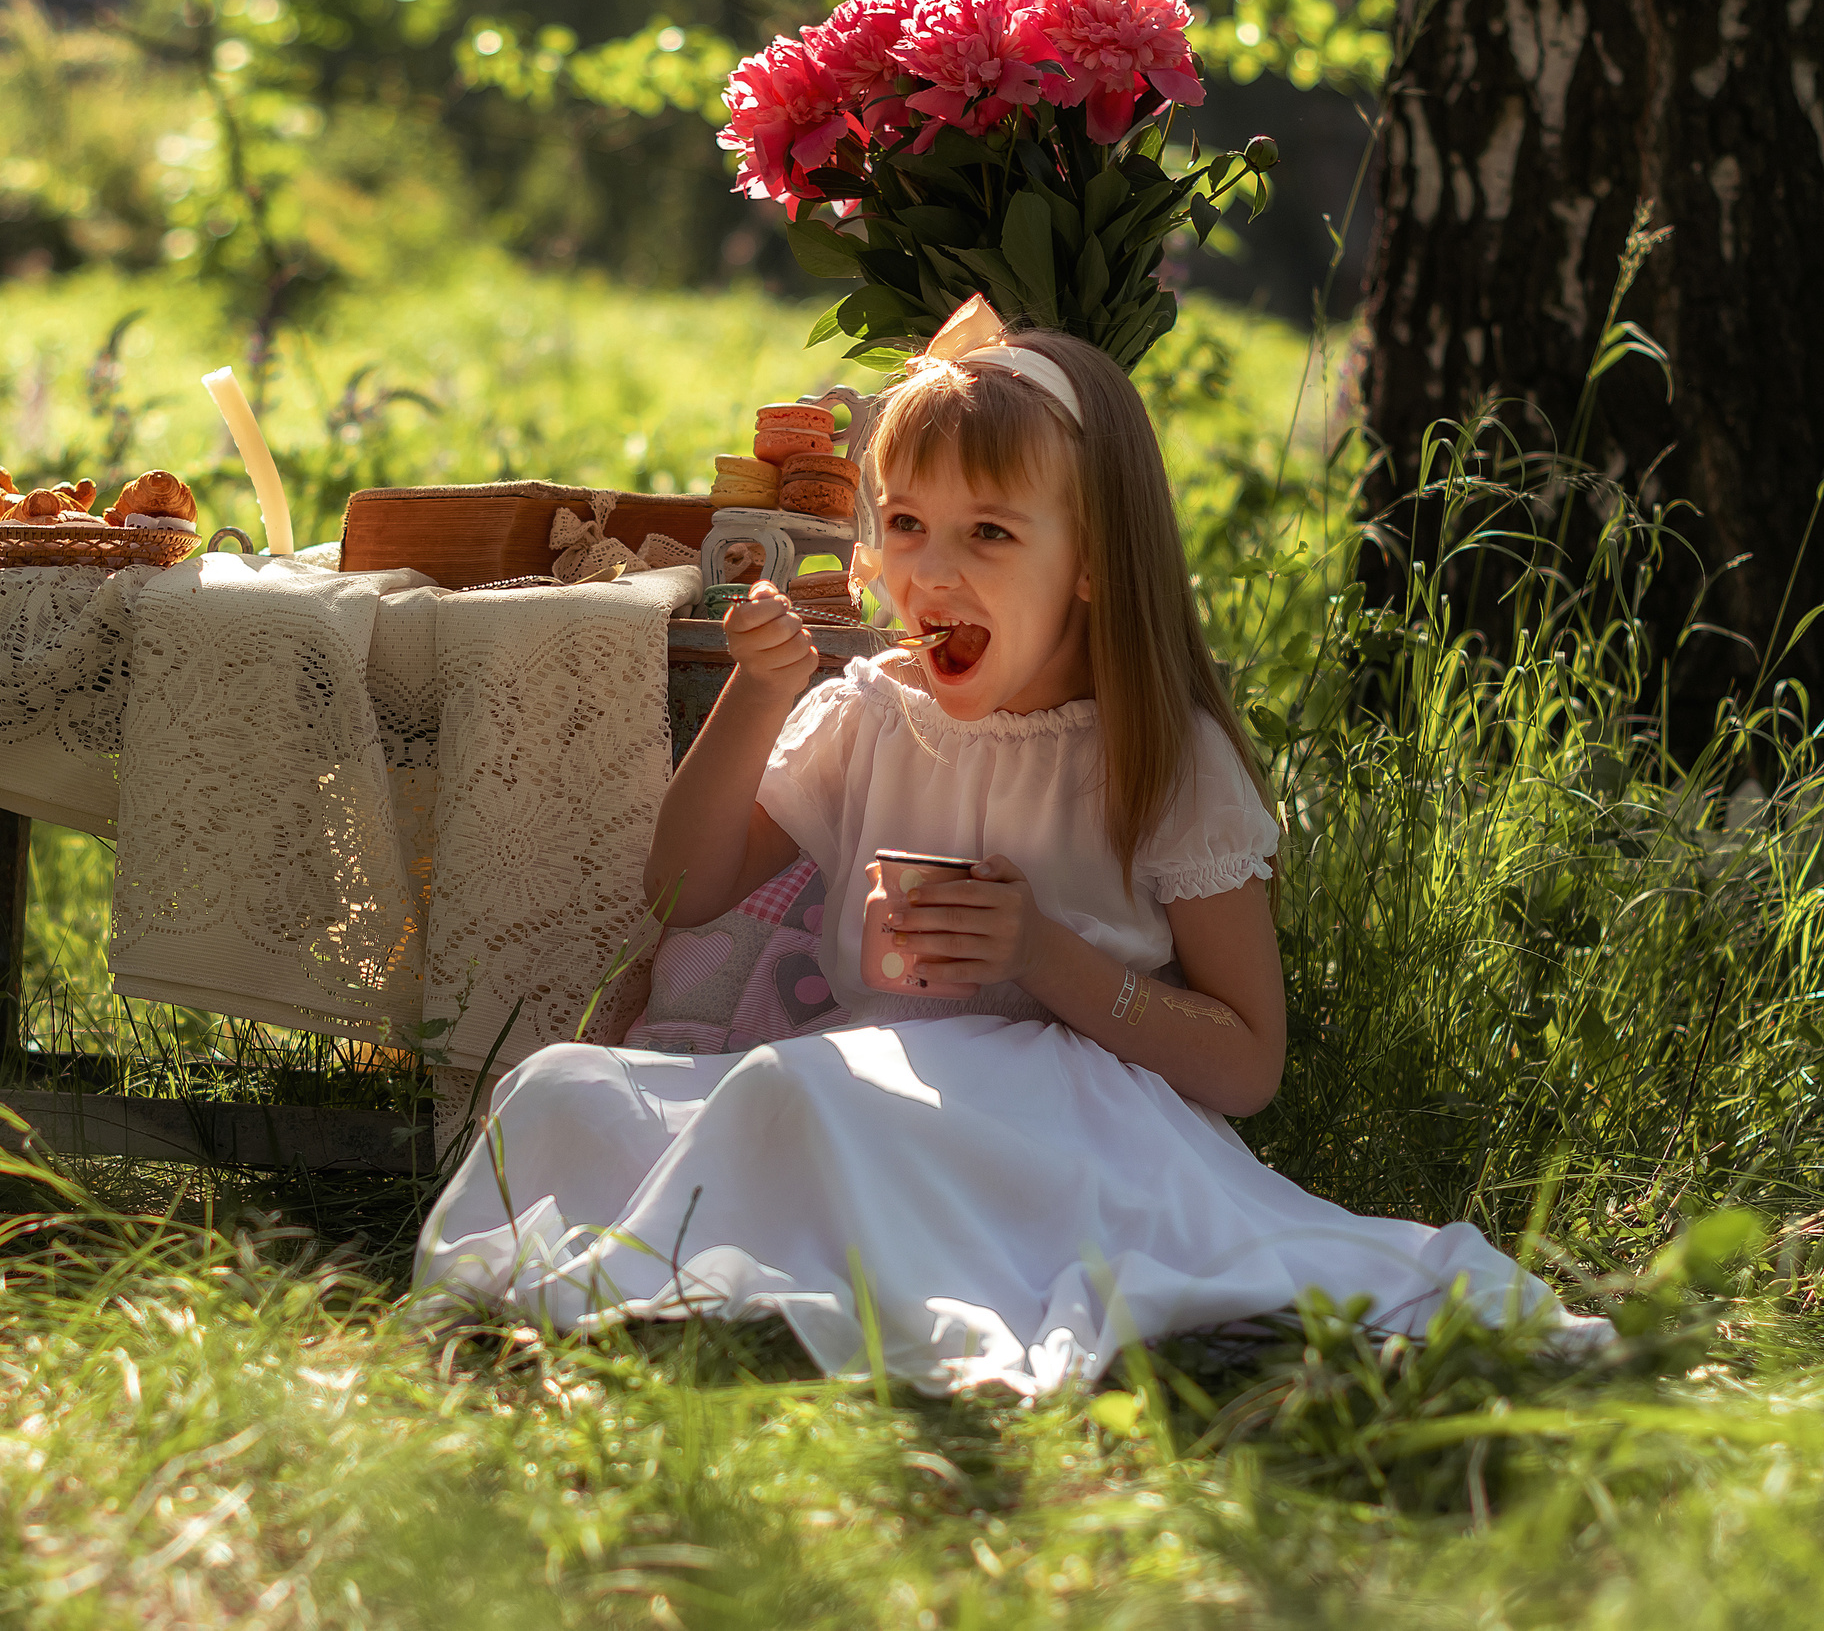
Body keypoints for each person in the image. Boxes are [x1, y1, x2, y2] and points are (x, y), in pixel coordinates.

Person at [413, 296, 1602, 1396]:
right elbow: (681, 889)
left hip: (1075, 1126)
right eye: (910, 527)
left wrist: (1042, 951)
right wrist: (755, 698)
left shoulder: (1160, 761)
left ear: (1089, 561)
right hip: (868, 1087)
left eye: (988, 533)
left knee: (804, 1097)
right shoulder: (873, 716)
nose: (933, 570)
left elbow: (1247, 1066)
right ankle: (727, 1295)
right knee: (560, 1091)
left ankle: (743, 1299)